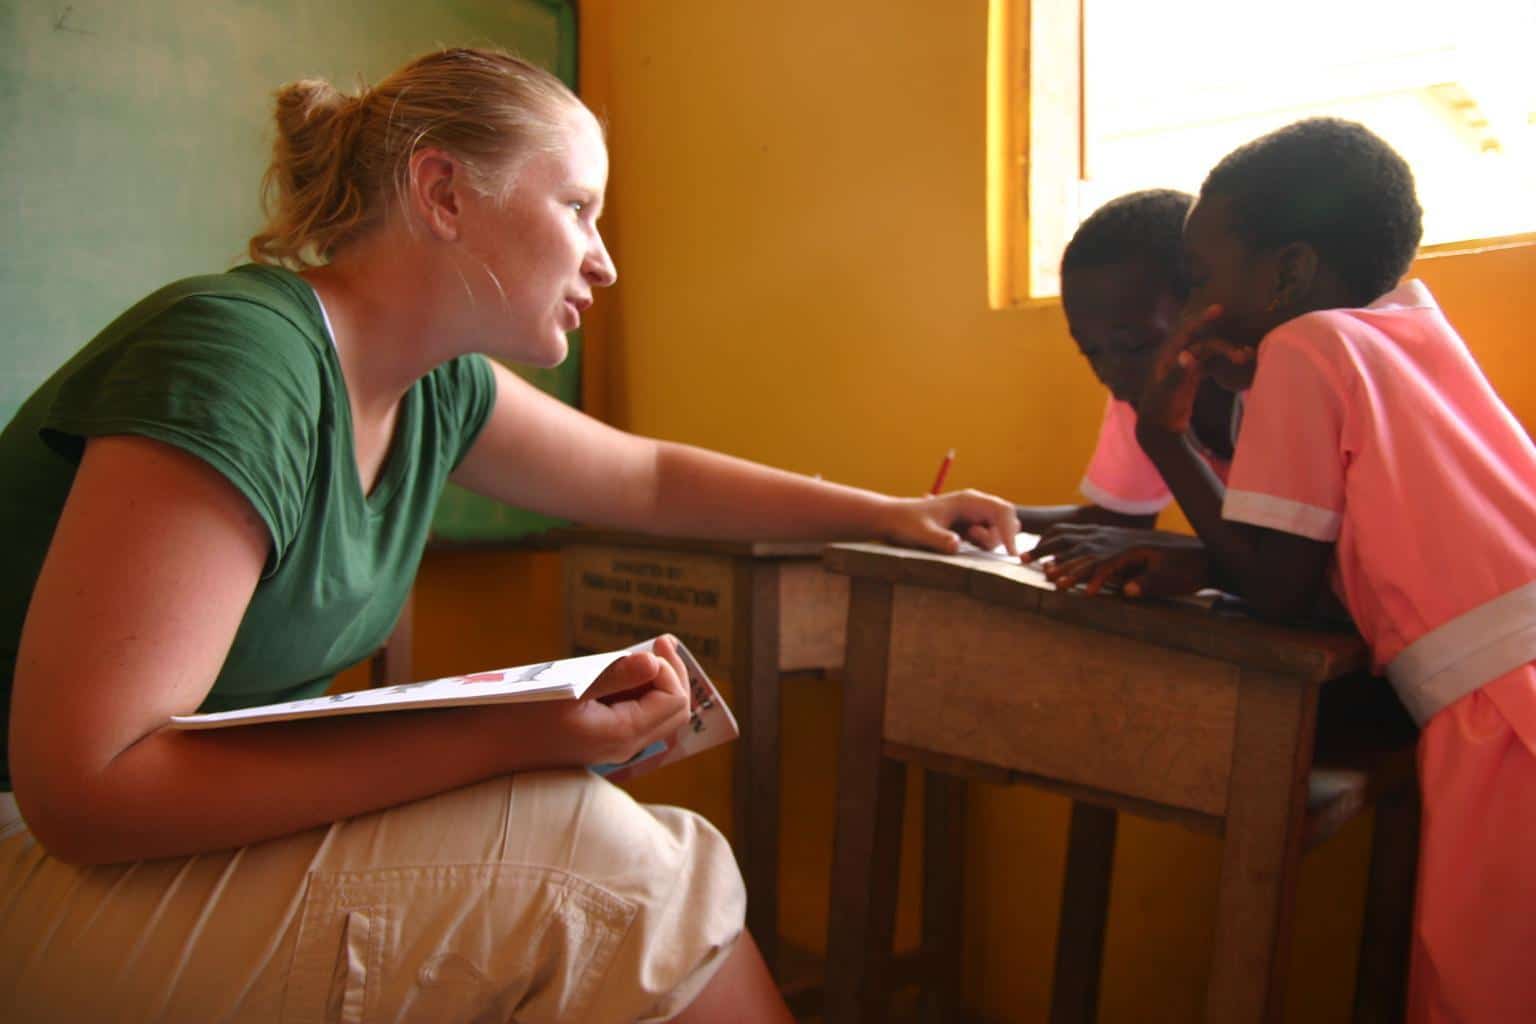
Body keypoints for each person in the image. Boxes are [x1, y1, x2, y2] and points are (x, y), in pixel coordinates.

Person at [0, 48, 1020, 1022]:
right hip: (32, 856)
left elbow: (650, 478)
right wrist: (509, 732)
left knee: (596, 856)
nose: (606, 261)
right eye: (578, 207)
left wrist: (891, 513)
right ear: (443, 193)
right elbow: (88, 789)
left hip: (145, 858)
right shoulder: (244, 359)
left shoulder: (432, 385)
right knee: (605, 868)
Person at [1085, 117, 1536, 1021]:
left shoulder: (1306, 349)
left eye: (1204, 275)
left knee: (1484, 990)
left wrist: (1164, 433)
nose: (1199, 298)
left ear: (1288, 272)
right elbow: (1334, 557)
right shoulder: (1408, 324)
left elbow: (1280, 590)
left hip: (1497, 718)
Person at [1014, 189, 1235, 593]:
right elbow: (1121, 520)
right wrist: (994, 514)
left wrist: (1195, 557)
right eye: (1090, 351)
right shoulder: (1137, 389)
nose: (1111, 372)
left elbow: (1290, 572)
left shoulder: (1280, 385)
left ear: (1207, 305)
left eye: (1135, 346)